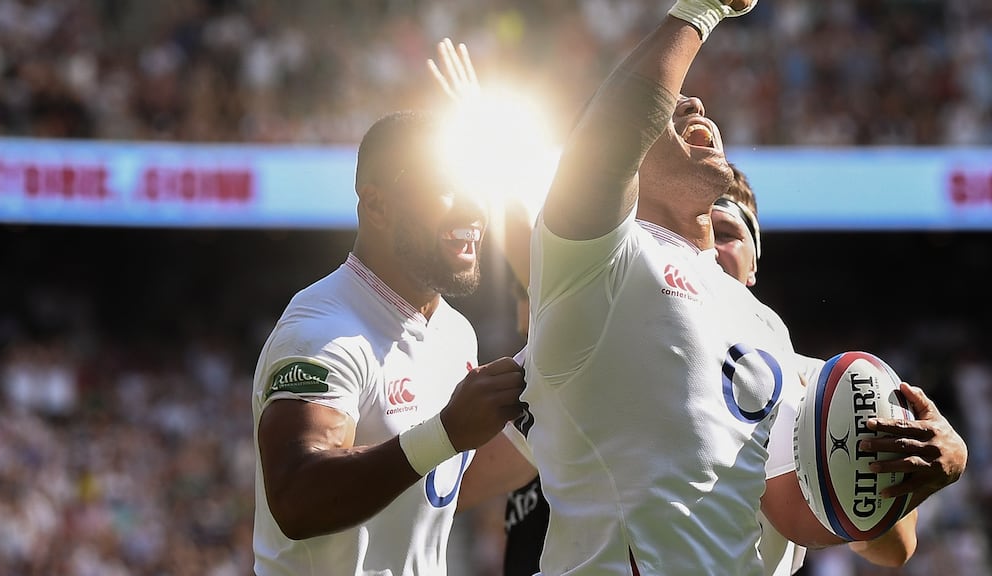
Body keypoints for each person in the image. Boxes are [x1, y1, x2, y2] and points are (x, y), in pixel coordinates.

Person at [522, 0, 967, 573]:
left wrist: (913, 472)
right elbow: (607, 140)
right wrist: (703, 8)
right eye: (668, 107)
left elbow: (808, 514)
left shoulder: (764, 327)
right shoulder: (600, 263)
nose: (693, 101)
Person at [250, 110, 527, 575]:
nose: (473, 209)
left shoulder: (454, 331)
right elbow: (296, 499)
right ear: (377, 205)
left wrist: (542, 410)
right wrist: (447, 432)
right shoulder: (321, 332)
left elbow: (433, 488)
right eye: (446, 187)